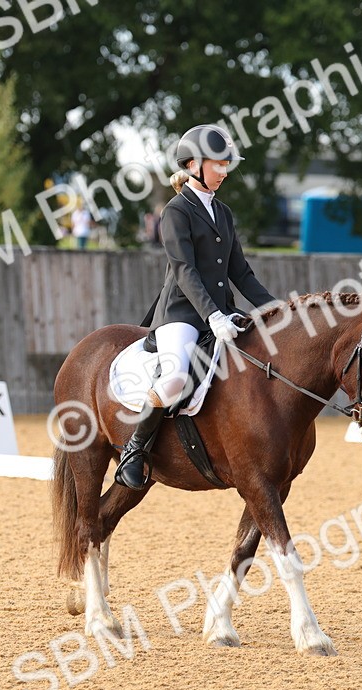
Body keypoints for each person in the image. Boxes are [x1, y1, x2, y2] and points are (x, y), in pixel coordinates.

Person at [114, 124, 277, 490]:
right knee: (174, 379)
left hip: (222, 314)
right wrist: (212, 315)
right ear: (193, 165)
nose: (224, 172)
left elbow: (241, 273)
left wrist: (280, 310)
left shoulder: (224, 212)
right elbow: (185, 271)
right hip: (183, 316)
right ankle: (135, 449)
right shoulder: (176, 211)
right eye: (218, 164)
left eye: (226, 164)